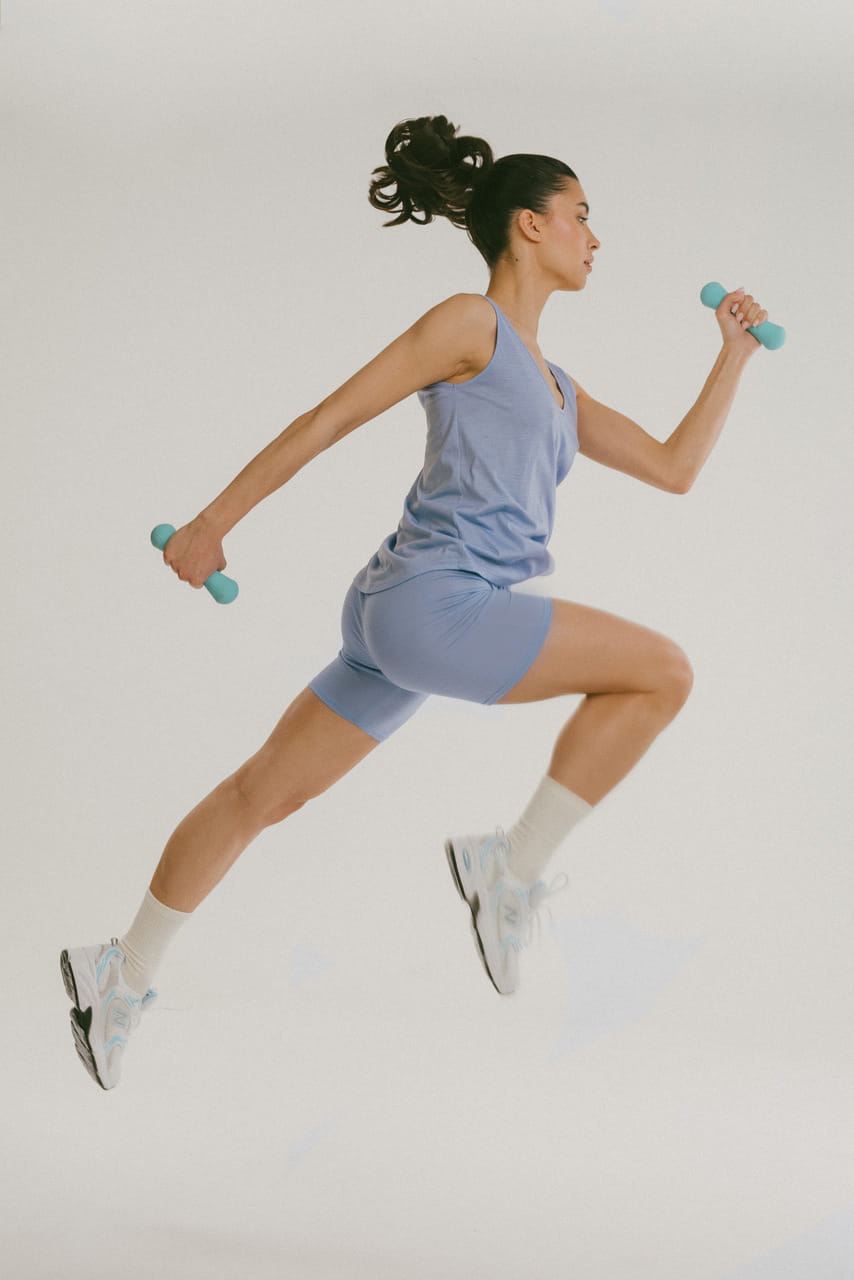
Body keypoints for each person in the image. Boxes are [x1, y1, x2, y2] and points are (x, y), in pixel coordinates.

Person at [60, 114, 769, 1090]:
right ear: (527, 224)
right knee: (662, 672)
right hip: (436, 607)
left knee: (261, 794)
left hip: (398, 616)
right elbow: (331, 417)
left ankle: (121, 971)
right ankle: (508, 868)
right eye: (579, 214)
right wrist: (212, 521)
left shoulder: (557, 388)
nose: (594, 237)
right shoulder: (469, 324)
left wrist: (731, 354)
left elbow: (673, 468)